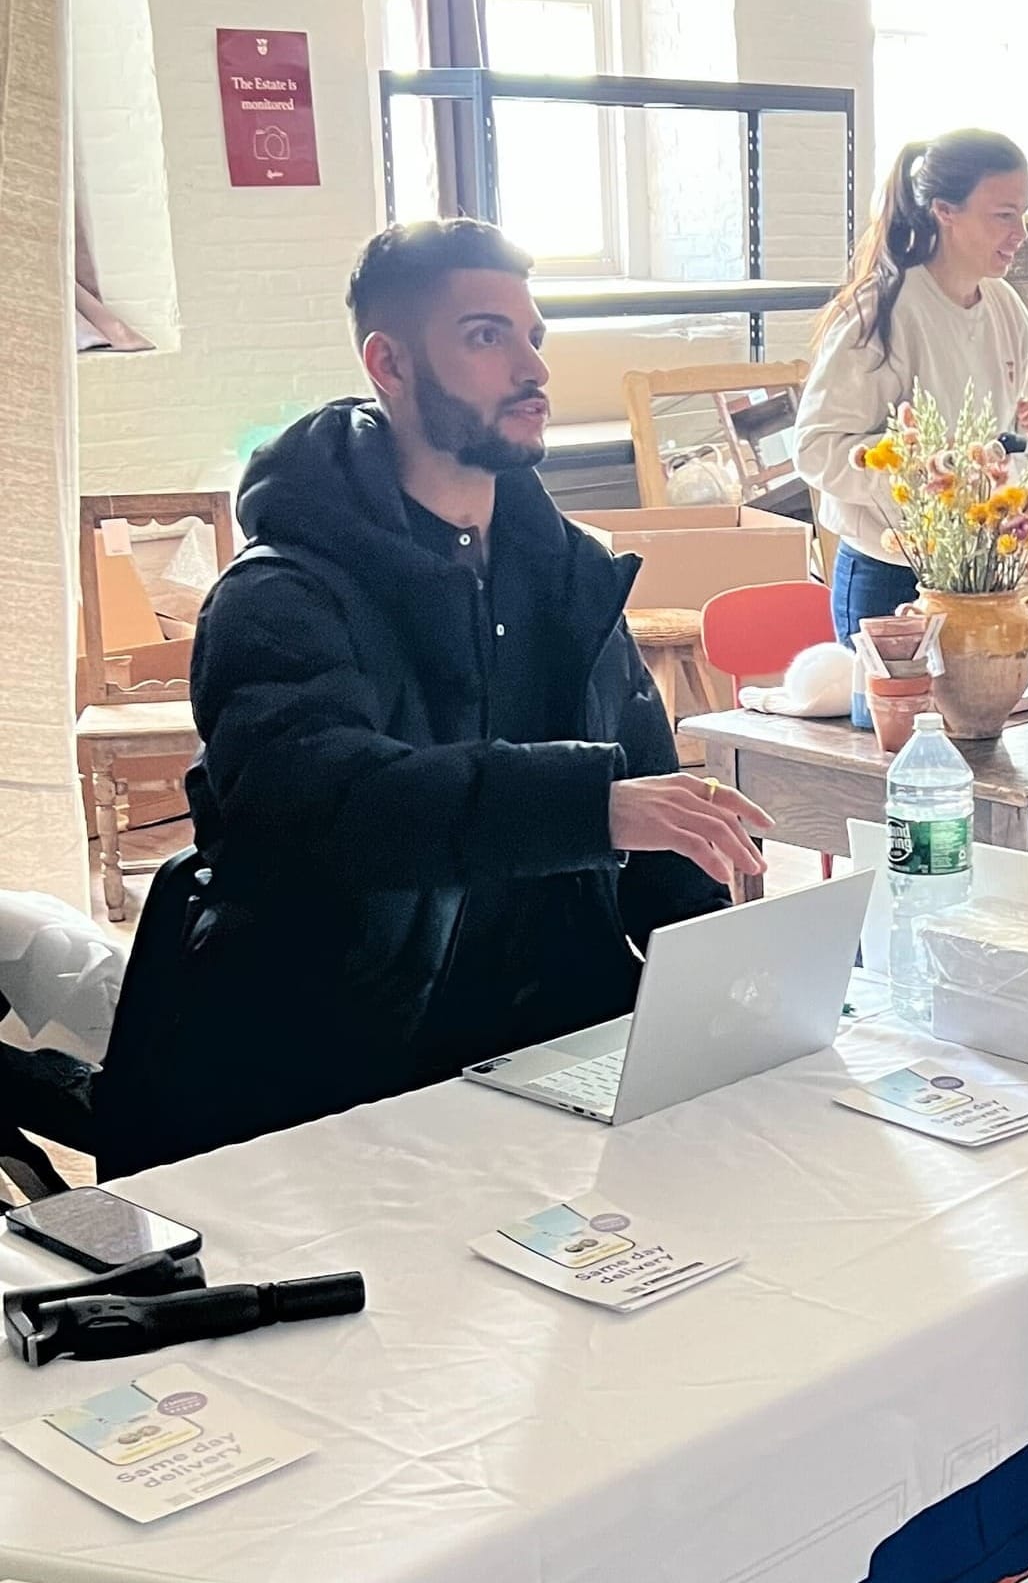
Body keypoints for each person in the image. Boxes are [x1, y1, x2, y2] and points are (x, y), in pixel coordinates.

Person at [98, 221, 770, 1176]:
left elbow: (658, 825)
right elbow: (328, 804)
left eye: (534, 336)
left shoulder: (570, 579)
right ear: (390, 363)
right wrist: (589, 806)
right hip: (340, 1081)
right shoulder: (280, 595)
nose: (532, 367)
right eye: (487, 336)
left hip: (561, 1054)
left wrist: (738, 984)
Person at [795, 130, 1028, 649]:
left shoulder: (1008, 310)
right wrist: (911, 468)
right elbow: (813, 448)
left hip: (979, 570)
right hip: (890, 572)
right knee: (897, 732)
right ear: (945, 210)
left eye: (1023, 213)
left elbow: (981, 440)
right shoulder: (881, 314)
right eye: (1003, 215)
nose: (1022, 233)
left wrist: (1015, 429)